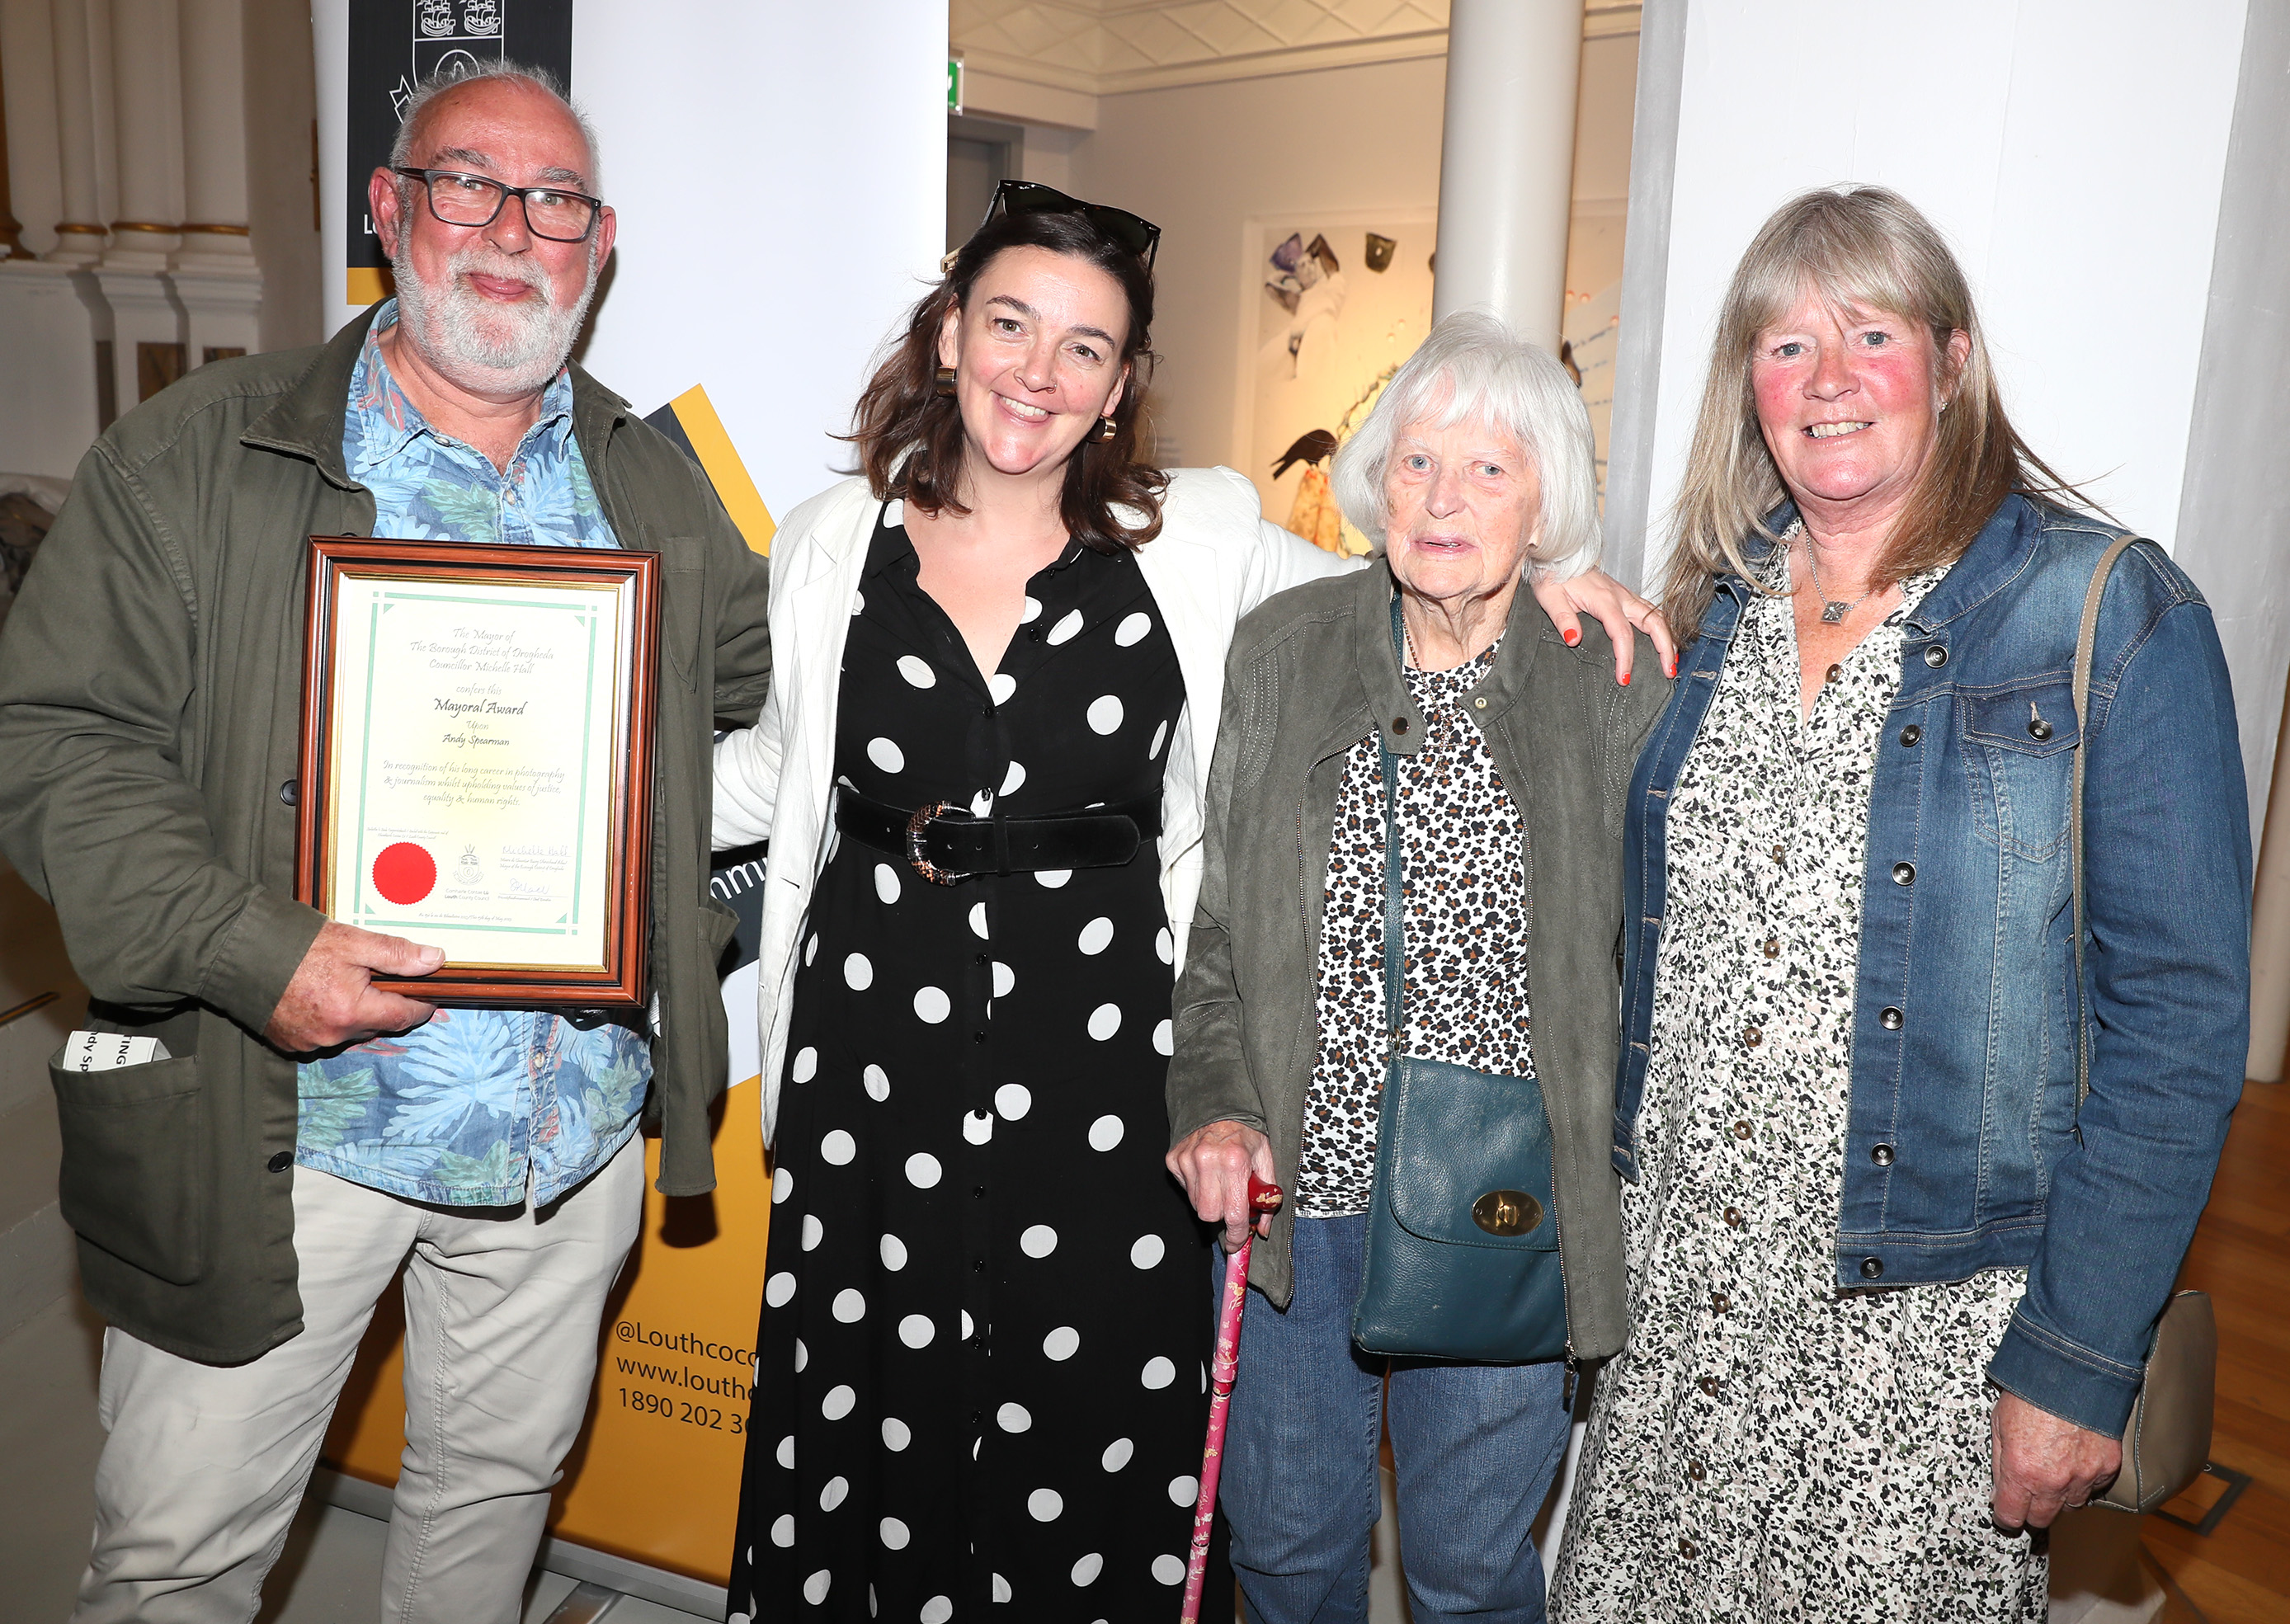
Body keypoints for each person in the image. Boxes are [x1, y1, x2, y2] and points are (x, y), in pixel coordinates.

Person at [710, 186, 1671, 1620]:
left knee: (1080, 1423)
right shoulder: (831, 541)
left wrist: (1566, 574)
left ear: (1119, 387)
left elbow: (1403, 585)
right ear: (952, 333)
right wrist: (591, 794)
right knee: (876, 1415)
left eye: (1085, 348)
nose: (1039, 372)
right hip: (874, 1068)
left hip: (1103, 1082)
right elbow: (774, 766)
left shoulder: (1196, 538)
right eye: (1010, 325)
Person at [0, 61, 771, 1622]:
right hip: (285, 1129)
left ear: (601, 243)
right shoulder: (193, 455)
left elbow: (750, 700)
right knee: (178, 1562)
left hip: (562, 1132)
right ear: (388, 207)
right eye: (468, 183)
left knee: (491, 1504)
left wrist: (663, 900)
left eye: (556, 201)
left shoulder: (648, 475)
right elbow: (58, 743)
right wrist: (255, 951)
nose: (512, 231)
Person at [1549, 186, 2250, 1619]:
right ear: (1748, 385)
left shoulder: (2109, 612)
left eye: (1870, 333)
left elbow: (2179, 1028)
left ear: (1952, 359)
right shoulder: (1714, 608)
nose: (1828, 378)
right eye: (1785, 345)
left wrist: (2076, 1360)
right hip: (1680, 1312)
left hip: (1922, 1346)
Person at [1164, 311, 1671, 1624]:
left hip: (1506, 1203)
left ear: (1545, 504)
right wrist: (1215, 1104)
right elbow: (1219, 935)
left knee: (1470, 1576)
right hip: (1295, 1203)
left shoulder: (1616, 679)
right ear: (1375, 484)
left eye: (1491, 468)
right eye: (1417, 463)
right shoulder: (1284, 649)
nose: (1445, 498)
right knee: (1286, 1561)